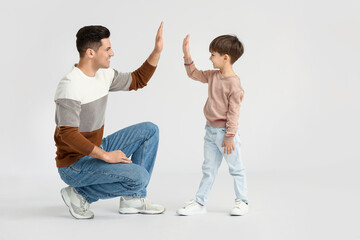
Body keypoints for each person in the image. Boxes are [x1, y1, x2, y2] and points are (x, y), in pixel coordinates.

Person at [54, 22, 165, 219]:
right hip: (73, 164)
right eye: (107, 49)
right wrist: (105, 156)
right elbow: (68, 135)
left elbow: (138, 80)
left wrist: (156, 51)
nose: (112, 53)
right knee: (140, 177)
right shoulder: (70, 85)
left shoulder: (104, 75)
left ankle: (133, 198)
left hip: (95, 147)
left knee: (150, 130)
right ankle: (79, 194)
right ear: (90, 53)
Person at [176, 34, 249, 216]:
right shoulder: (213, 76)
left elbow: (233, 113)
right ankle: (200, 202)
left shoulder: (234, 85)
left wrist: (230, 136)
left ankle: (242, 201)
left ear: (226, 58)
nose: (210, 58)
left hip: (226, 135)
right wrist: (187, 55)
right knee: (208, 169)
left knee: (236, 168)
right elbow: (193, 73)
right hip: (210, 132)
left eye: (213, 54)